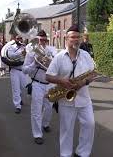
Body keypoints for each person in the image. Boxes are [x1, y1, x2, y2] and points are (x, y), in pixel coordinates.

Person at [46, 25, 96, 157]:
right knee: (66, 129)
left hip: (84, 98)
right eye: (73, 37)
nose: (76, 40)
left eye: (78, 37)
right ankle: (66, 154)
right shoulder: (59, 57)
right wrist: (62, 81)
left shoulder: (85, 55)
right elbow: (48, 76)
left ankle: (82, 153)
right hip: (65, 100)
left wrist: (83, 82)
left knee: (90, 124)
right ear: (66, 39)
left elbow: (93, 73)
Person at [22, 30, 57, 145]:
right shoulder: (31, 52)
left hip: (50, 84)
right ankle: (37, 134)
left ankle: (45, 124)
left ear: (46, 40)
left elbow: (57, 66)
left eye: (44, 39)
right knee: (36, 110)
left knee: (48, 108)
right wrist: (34, 64)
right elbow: (24, 69)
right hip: (37, 83)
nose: (42, 42)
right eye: (39, 40)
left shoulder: (53, 50)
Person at [7, 35, 27, 114]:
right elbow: (11, 55)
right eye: (18, 38)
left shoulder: (25, 46)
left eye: (20, 38)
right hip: (14, 70)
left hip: (23, 70)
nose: (19, 40)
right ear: (15, 39)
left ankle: (20, 98)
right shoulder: (11, 47)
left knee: (24, 86)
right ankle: (17, 106)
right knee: (15, 88)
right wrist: (21, 52)